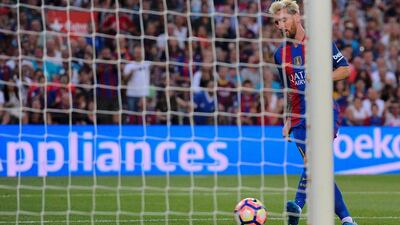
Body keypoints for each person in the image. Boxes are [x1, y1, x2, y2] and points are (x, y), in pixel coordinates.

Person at [269, 1, 357, 225]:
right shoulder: (280, 54)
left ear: (297, 16)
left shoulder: (319, 42)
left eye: (284, 19)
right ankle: (347, 219)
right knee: (319, 169)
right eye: (276, 22)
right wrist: (287, 120)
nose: (280, 25)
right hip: (299, 117)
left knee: (313, 159)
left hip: (324, 111)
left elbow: (345, 69)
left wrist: (321, 75)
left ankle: (297, 205)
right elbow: (289, 90)